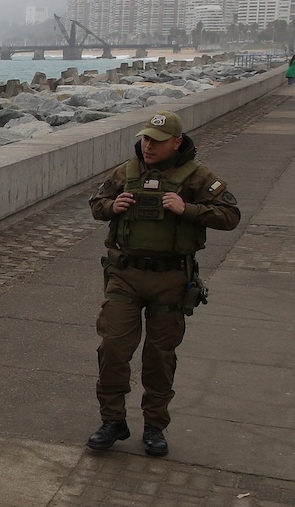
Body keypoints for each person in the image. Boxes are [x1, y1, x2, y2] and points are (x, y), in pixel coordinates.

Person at [85, 110, 240, 456]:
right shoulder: (127, 172)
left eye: (156, 141)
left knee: (159, 356)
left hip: (170, 279)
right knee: (112, 348)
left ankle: (155, 426)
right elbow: (96, 204)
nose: (147, 146)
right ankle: (112, 420)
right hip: (124, 274)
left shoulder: (196, 176)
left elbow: (231, 215)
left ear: (176, 142)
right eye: (144, 139)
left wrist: (189, 209)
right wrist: (113, 206)